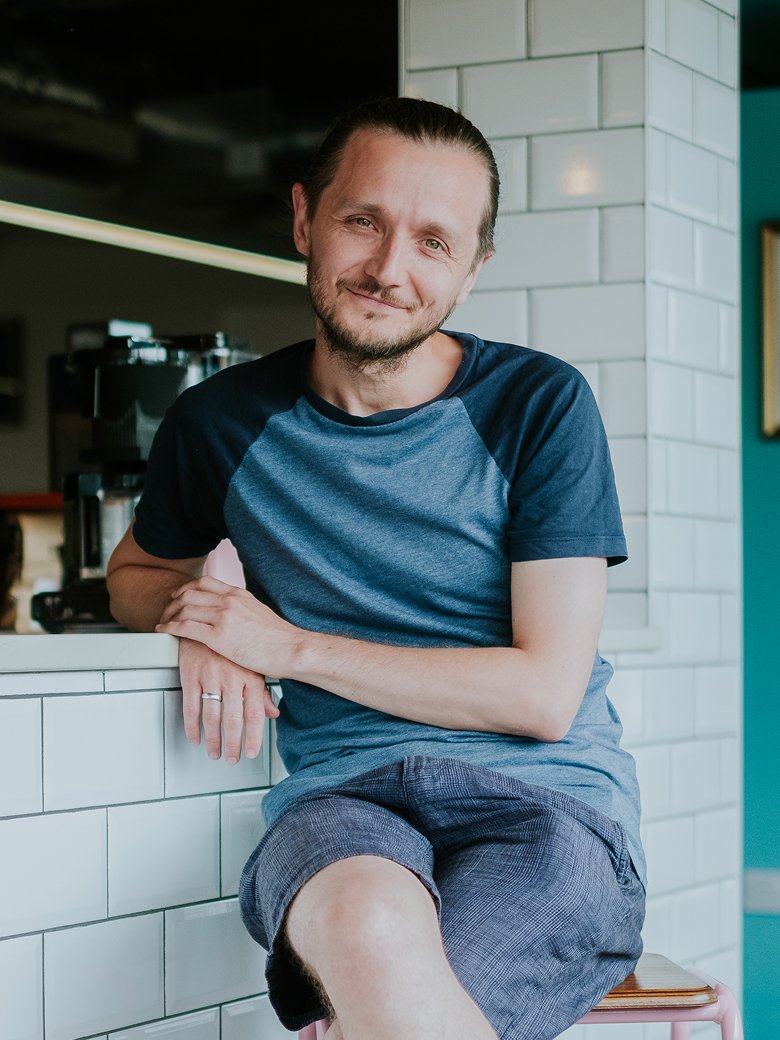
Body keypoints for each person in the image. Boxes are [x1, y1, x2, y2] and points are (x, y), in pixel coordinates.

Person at [106, 96, 646, 1040]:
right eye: (364, 221)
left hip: (548, 808)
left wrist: (286, 647)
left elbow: (542, 694)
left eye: (434, 242)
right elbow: (135, 573)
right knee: (363, 927)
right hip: (340, 801)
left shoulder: (539, 405)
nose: (390, 269)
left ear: (473, 270)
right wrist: (207, 613)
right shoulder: (220, 422)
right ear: (306, 217)